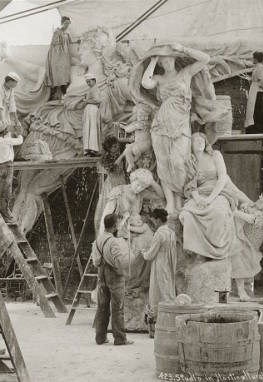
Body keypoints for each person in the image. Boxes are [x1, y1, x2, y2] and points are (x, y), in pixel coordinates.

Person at [140, 43, 211, 214]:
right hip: (161, 125)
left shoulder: (185, 73)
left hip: (180, 125)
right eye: (162, 62)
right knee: (164, 164)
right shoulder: (159, 78)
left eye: (168, 59)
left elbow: (205, 59)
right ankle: (170, 202)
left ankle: (181, 197)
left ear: (174, 59)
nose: (166, 64)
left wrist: (184, 48)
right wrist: (153, 61)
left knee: (179, 162)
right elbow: (145, 83)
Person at [92, 213, 136, 345]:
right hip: (114, 274)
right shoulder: (113, 242)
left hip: (101, 273)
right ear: (114, 226)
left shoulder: (99, 239)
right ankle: (120, 338)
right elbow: (118, 261)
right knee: (118, 307)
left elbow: (95, 261)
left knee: (102, 307)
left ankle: (100, 337)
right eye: (117, 224)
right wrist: (122, 272)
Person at [139, 208, 177, 336]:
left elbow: (150, 255)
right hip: (169, 266)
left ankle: (154, 329)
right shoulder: (171, 233)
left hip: (159, 266)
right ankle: (169, 325)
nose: (153, 222)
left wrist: (144, 252)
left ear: (159, 219)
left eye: (154, 219)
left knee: (156, 294)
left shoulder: (159, 234)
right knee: (168, 293)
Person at [0, 124, 23, 223]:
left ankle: (2, 212)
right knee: (7, 191)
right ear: (4, 132)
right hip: (7, 166)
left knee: (0, 190)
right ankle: (5, 213)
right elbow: (20, 141)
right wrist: (19, 134)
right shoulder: (6, 141)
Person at [243, 51, 263, 134]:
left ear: (256, 59)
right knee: (253, 112)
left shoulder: (260, 67)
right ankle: (253, 130)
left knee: (258, 112)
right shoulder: (257, 67)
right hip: (254, 91)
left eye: (253, 58)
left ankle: (259, 131)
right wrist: (250, 80)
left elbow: (261, 81)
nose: (252, 60)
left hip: (257, 92)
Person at [46, 16, 72, 99]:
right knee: (58, 74)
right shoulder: (57, 31)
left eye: (68, 23)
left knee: (64, 74)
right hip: (57, 55)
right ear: (62, 23)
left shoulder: (67, 33)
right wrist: (59, 42)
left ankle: (65, 94)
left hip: (65, 56)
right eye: (65, 23)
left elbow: (70, 42)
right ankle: (52, 95)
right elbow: (53, 43)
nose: (67, 25)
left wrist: (78, 41)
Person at [82, 73, 102, 156]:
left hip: (92, 110)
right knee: (89, 128)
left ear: (94, 80)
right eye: (87, 82)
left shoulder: (95, 89)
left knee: (92, 127)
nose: (88, 83)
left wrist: (86, 101)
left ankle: (93, 148)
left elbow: (98, 100)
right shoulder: (91, 89)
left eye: (89, 81)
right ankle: (89, 148)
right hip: (90, 110)